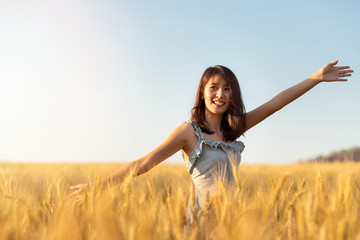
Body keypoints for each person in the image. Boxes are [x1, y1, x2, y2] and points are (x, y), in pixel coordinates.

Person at [70, 60, 353, 233]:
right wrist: (97, 188)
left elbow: (274, 104)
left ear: (233, 95)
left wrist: (315, 78)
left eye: (227, 88)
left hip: (232, 223)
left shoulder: (234, 130)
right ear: (203, 92)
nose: (220, 94)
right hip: (201, 226)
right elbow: (144, 163)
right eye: (214, 87)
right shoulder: (188, 133)